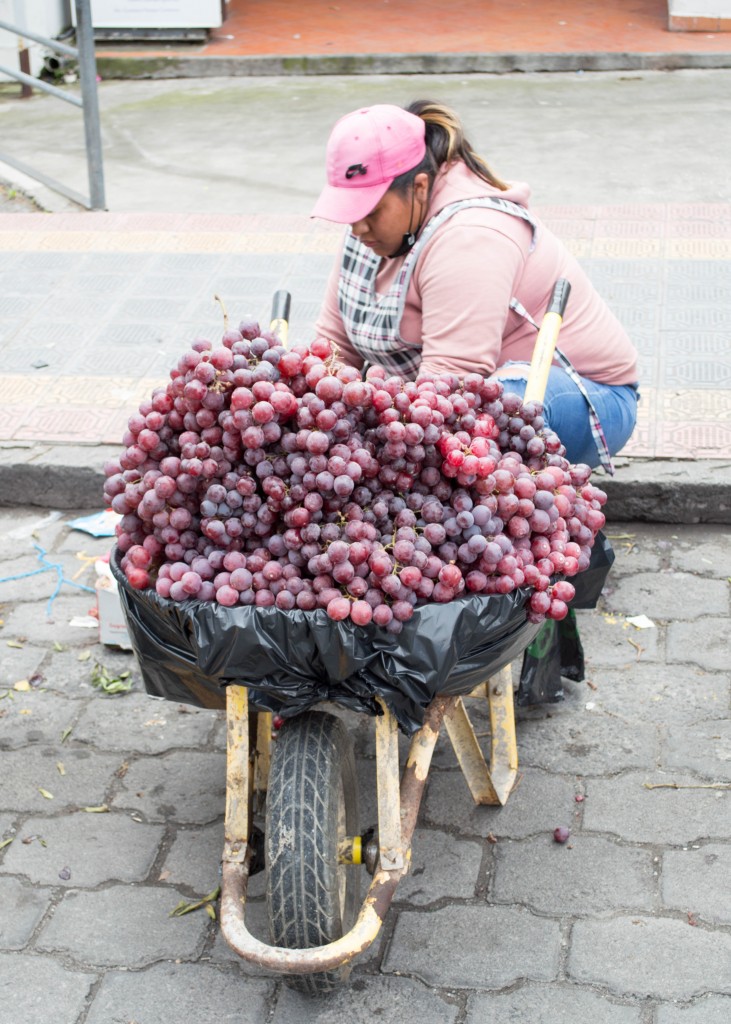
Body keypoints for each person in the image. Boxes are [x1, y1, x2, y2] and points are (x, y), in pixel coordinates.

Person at [311, 100, 639, 473]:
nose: (357, 228)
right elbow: (334, 351)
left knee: (492, 412)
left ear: (419, 187)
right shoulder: (369, 232)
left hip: (588, 397)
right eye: (350, 211)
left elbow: (448, 392)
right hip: (452, 389)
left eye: (370, 211)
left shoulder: (470, 235)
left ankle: (554, 522)